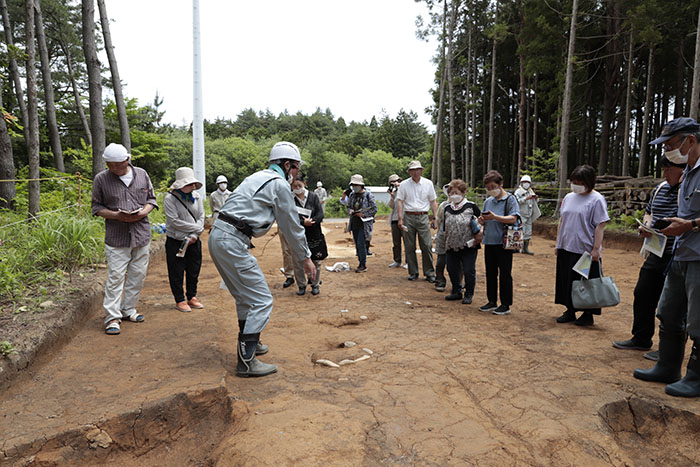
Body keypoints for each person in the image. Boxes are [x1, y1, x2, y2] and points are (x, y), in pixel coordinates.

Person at [208, 141, 315, 377]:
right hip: (232, 240)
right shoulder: (279, 184)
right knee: (262, 300)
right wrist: (306, 258)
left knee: (245, 297)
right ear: (287, 165)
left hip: (221, 236)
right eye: (296, 168)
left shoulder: (257, 176)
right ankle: (246, 361)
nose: (297, 173)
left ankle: (252, 344)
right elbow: (291, 226)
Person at [634, 117, 700, 398]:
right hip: (679, 252)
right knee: (669, 310)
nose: (669, 151)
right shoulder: (688, 172)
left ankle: (696, 378)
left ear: (691, 141)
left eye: (672, 145)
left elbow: (690, 219)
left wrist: (691, 225)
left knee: (697, 319)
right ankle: (668, 366)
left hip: (698, 256)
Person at [613, 156, 683, 355]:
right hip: (656, 251)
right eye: (663, 169)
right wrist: (646, 227)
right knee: (643, 293)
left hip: (677, 255)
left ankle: (668, 349)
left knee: (671, 303)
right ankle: (641, 338)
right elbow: (649, 212)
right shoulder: (659, 189)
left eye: (668, 170)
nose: (665, 174)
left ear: (681, 168)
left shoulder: (686, 191)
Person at [91, 143, 158, 335]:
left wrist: (142, 212)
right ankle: (112, 317)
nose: (114, 169)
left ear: (127, 160)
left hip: (141, 233)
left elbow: (151, 200)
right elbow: (96, 207)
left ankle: (128, 309)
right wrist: (116, 215)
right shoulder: (101, 179)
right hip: (116, 236)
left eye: (118, 165)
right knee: (115, 277)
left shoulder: (142, 174)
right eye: (110, 165)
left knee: (138, 275)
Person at [553, 165, 609, 326]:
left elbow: (600, 225)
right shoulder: (569, 197)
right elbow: (562, 221)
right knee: (567, 280)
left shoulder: (596, 199)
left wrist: (596, 249)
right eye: (574, 181)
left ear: (589, 182)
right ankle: (570, 310)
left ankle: (587, 314)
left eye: (579, 182)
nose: (575, 184)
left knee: (585, 283)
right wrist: (558, 243)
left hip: (584, 249)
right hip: (566, 246)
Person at [478, 170, 520, 315]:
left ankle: (505, 304)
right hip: (489, 241)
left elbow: (513, 218)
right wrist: (482, 220)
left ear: (501, 184)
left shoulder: (510, 199)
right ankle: (491, 301)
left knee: (505, 273)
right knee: (490, 272)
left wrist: (495, 217)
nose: (491, 190)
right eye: (488, 188)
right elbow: (483, 219)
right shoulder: (488, 201)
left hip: (503, 242)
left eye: (493, 187)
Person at [164, 167, 206, 312]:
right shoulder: (170, 199)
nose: (192, 186)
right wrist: (195, 228)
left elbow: (201, 216)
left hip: (194, 239)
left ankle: (192, 296)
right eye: (188, 184)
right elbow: (174, 221)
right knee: (176, 270)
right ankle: (179, 299)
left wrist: (196, 232)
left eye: (192, 184)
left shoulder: (197, 197)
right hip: (177, 240)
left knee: (194, 268)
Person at [436, 179, 483, 304]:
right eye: (451, 193)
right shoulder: (447, 208)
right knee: (452, 269)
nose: (453, 195)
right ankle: (456, 291)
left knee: (468, 270)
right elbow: (444, 226)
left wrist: (479, 236)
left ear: (463, 192)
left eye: (456, 192)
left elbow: (481, 222)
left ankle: (468, 293)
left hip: (469, 246)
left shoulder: (471, 207)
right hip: (451, 245)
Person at [396, 160, 438, 282]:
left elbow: (433, 201)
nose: (415, 172)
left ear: (421, 170)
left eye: (417, 169)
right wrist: (400, 218)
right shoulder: (404, 184)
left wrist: (435, 217)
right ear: (409, 172)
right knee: (409, 246)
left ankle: (429, 272)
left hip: (423, 216)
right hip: (408, 216)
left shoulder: (428, 183)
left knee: (427, 244)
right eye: (413, 170)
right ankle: (413, 272)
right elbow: (400, 201)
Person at [292, 177, 324, 295]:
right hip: (298, 234)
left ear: (304, 184)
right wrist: (302, 222)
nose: (297, 188)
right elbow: (290, 217)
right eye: (294, 186)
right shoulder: (291, 199)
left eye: (299, 185)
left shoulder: (313, 196)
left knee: (316, 260)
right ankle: (301, 285)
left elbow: (320, 214)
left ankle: (315, 284)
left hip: (314, 233)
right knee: (298, 260)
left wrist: (312, 221)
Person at [340, 174, 377, 273]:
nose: (354, 187)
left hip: (364, 223)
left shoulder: (368, 195)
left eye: (356, 185)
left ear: (361, 185)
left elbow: (374, 209)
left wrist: (363, 214)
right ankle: (360, 261)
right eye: (353, 185)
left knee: (361, 243)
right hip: (354, 221)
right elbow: (348, 206)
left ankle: (363, 264)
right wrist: (351, 210)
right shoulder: (352, 195)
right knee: (357, 243)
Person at [514, 174, 540, 255]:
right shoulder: (518, 191)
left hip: (529, 214)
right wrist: (525, 198)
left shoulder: (530, 191)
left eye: (527, 182)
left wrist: (536, 198)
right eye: (524, 182)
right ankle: (516, 248)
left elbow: (535, 202)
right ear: (521, 183)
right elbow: (516, 202)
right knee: (520, 231)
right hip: (521, 214)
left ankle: (525, 249)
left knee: (528, 232)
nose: (526, 183)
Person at [433, 184, 451, 292]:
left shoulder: (467, 205)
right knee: (441, 260)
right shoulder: (443, 205)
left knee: (459, 262)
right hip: (443, 236)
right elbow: (438, 220)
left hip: (459, 238)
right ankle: (439, 279)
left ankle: (458, 282)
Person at [387, 174, 406, 268]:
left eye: (396, 181)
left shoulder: (406, 189)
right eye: (392, 182)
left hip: (405, 219)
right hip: (394, 219)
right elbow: (391, 206)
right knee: (396, 242)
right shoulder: (395, 192)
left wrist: (400, 186)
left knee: (407, 241)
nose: (394, 183)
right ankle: (397, 260)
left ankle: (408, 262)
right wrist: (392, 196)